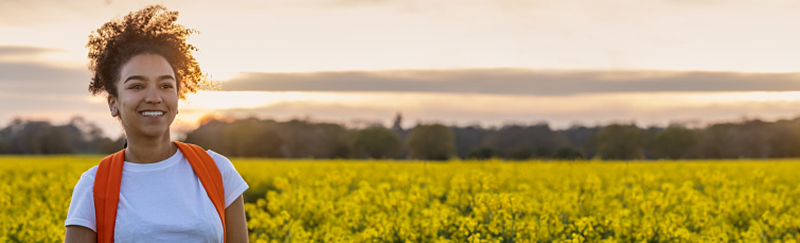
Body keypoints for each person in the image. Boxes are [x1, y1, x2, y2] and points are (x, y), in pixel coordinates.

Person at [64, 5, 249, 243]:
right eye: (136, 86)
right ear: (113, 103)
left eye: (165, 85)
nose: (154, 97)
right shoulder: (93, 186)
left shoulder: (218, 171)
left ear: (177, 97)